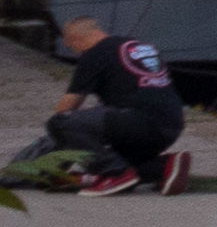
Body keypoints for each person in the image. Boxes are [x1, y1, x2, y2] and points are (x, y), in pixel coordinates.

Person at [39, 14, 188, 195]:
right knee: (120, 161)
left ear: (75, 39)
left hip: (138, 121)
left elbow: (68, 106)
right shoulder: (137, 45)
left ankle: (115, 174)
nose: (75, 52)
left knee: (61, 122)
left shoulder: (95, 53)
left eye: (72, 47)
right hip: (170, 125)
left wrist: (60, 140)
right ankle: (165, 166)